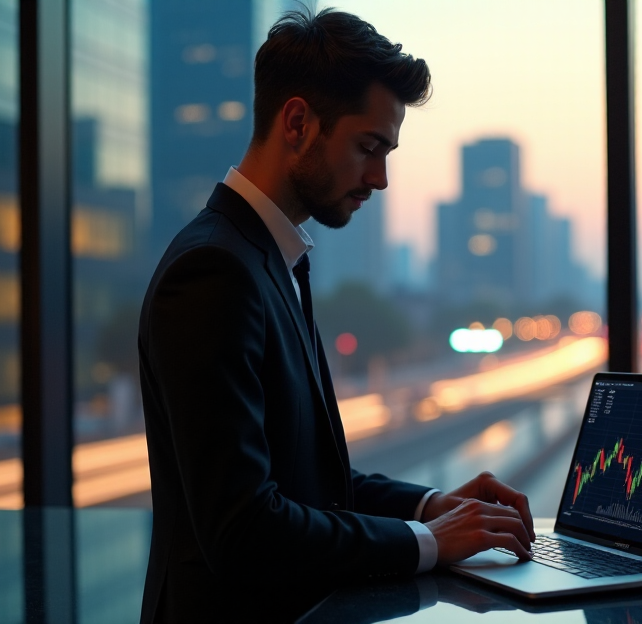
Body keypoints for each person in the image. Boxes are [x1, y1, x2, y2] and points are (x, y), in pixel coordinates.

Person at [137, 8, 535, 622]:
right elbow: (244, 528)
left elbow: (311, 484)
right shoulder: (214, 272)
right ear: (297, 122)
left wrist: (432, 507)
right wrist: (430, 544)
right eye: (368, 147)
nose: (379, 178)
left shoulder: (268, 258)